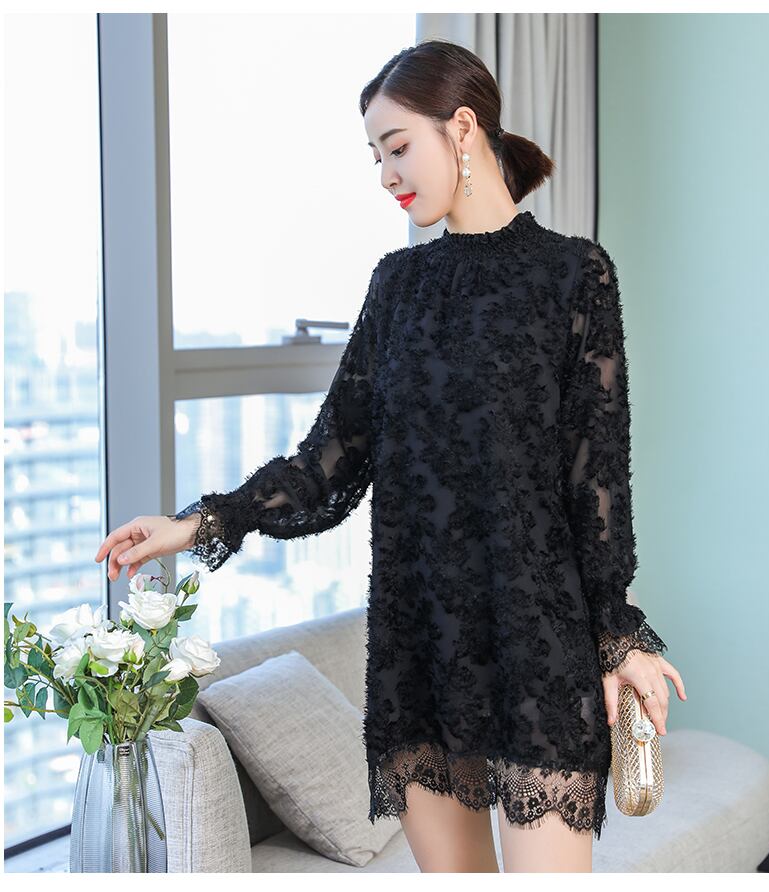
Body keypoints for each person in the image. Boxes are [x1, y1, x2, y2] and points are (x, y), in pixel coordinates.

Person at [94, 38, 687, 873]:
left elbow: (596, 479)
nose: (385, 175)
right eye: (375, 155)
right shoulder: (397, 286)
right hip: (420, 649)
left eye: (397, 147)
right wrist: (195, 524)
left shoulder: (573, 275)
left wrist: (618, 634)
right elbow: (327, 466)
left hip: (536, 645)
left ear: (463, 128)